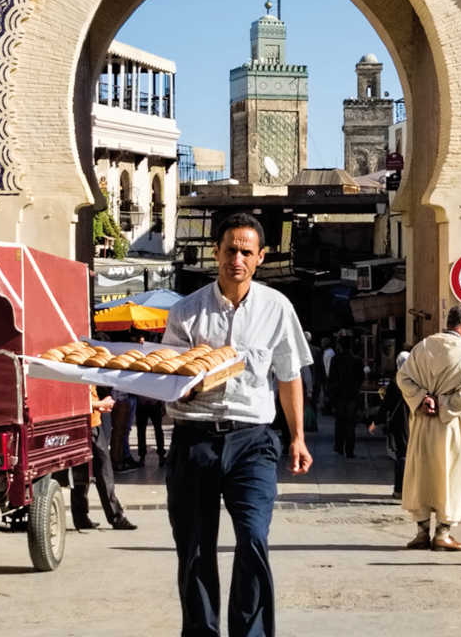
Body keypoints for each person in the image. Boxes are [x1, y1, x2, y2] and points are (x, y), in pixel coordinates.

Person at [164, 211, 312, 637]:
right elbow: (168, 381)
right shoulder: (186, 313)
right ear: (216, 253)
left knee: (253, 539)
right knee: (194, 548)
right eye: (230, 250)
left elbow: (288, 376)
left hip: (253, 441)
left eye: (247, 251)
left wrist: (298, 437)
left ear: (260, 257)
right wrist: (188, 384)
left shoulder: (276, 308)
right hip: (195, 439)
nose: (237, 259)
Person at [396, 306, 461, 550]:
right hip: (451, 424)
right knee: (450, 474)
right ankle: (443, 533)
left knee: (421, 474)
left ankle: (422, 531)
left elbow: (403, 378)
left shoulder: (422, 347)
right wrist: (444, 405)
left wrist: (422, 398)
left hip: (423, 422)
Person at [72, 387, 138, 531]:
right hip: (89, 424)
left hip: (89, 422)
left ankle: (81, 517)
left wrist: (100, 403)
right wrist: (100, 404)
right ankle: (116, 517)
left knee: (82, 472)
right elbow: (73, 397)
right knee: (103, 471)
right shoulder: (75, 372)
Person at [375, 351, 410, 497]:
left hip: (400, 423)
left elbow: (386, 406)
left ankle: (399, 489)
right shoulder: (416, 380)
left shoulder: (396, 382)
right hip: (415, 422)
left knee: (402, 455)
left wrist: (376, 421)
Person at [327, 341, 365, 457]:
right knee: (350, 424)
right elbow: (361, 378)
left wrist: (331, 395)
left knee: (339, 422)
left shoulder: (335, 359)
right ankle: (349, 450)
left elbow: (331, 378)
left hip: (339, 396)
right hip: (352, 396)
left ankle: (339, 447)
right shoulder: (357, 360)